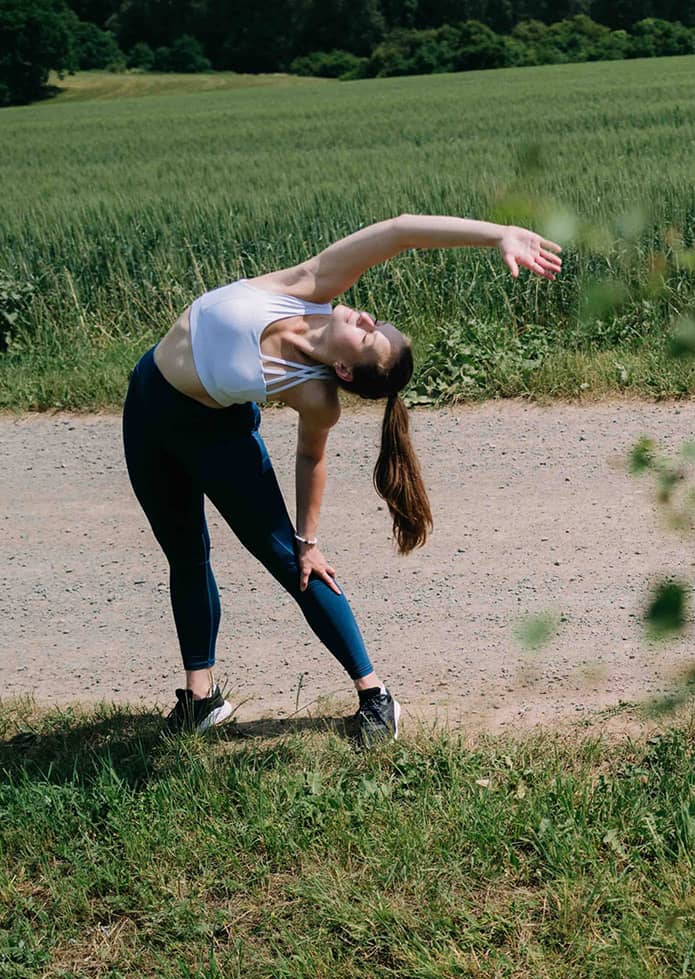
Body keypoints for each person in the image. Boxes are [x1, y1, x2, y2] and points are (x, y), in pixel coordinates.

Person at [124, 214, 563, 742]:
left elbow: (311, 459)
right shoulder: (310, 286)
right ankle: (201, 700)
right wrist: (499, 235)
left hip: (215, 438)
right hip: (146, 407)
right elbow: (402, 232)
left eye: (369, 336)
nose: (366, 318)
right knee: (186, 555)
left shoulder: (316, 394)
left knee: (292, 562)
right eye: (375, 322)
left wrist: (309, 541)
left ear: (347, 372)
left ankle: (375, 697)